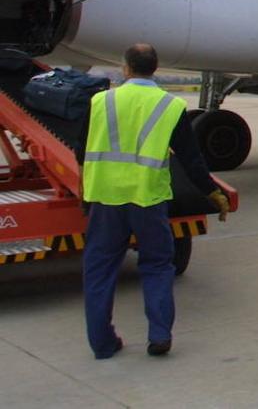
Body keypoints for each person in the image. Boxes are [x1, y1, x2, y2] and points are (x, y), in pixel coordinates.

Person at [81, 43, 230, 360]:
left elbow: (81, 153)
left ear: (126, 68)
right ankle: (159, 334)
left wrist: (86, 197)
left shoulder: (99, 101)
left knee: (100, 271)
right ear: (155, 67)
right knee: (158, 266)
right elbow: (192, 160)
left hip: (105, 197)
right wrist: (212, 192)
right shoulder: (170, 106)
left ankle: (102, 344)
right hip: (148, 199)